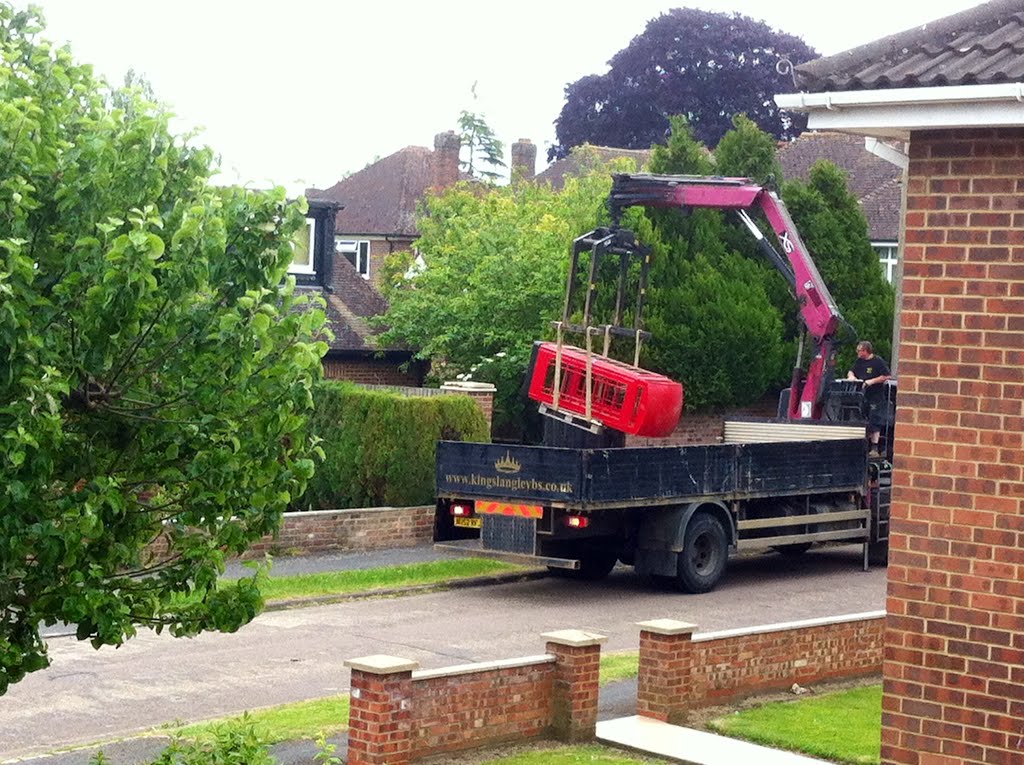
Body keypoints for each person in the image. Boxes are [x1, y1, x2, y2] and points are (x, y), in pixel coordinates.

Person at [847, 341, 891, 457]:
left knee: (875, 420)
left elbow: (886, 375)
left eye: (859, 350)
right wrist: (852, 377)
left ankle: (875, 448)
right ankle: (863, 445)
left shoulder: (878, 361)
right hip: (863, 396)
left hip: (875, 396)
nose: (857, 353)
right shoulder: (859, 362)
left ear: (865, 351)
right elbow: (851, 370)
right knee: (862, 419)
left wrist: (871, 381)